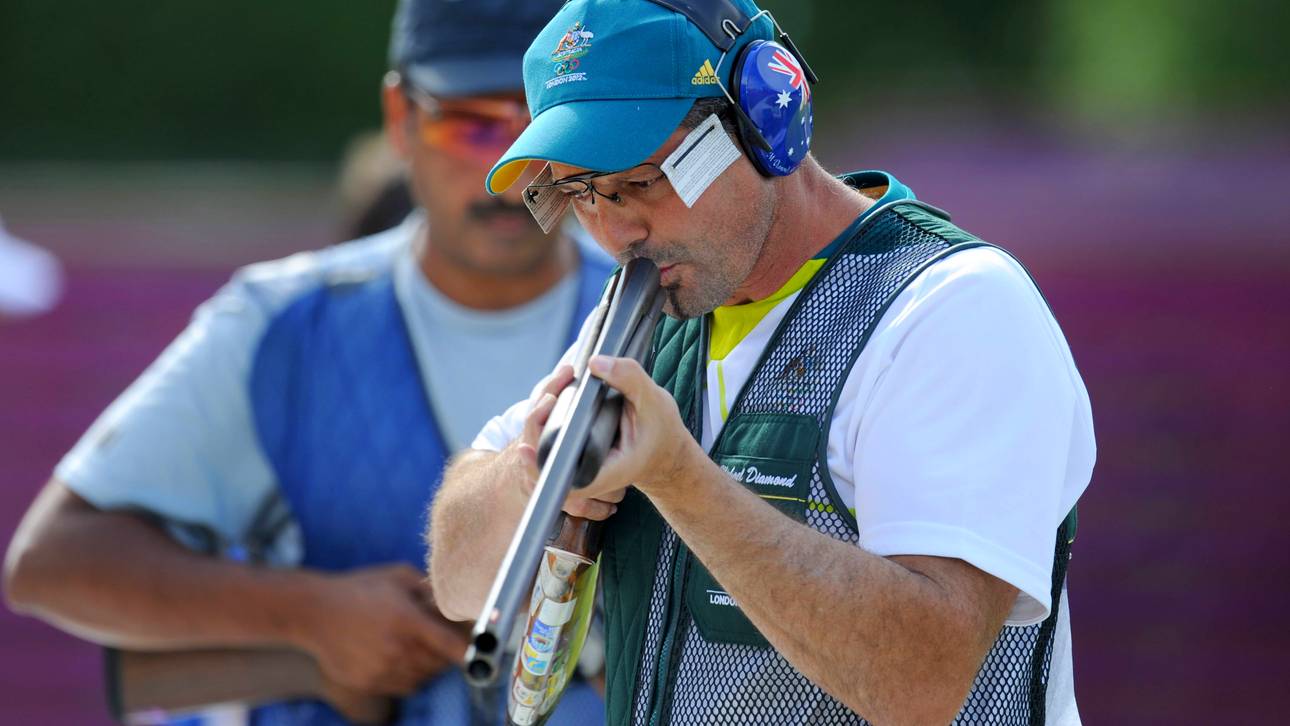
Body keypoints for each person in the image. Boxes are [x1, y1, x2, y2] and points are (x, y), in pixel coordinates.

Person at [427, 0, 1095, 724]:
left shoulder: (951, 309)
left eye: (639, 181)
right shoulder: (646, 312)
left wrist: (678, 480)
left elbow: (921, 682)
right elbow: (459, 580)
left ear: (763, 117)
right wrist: (537, 469)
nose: (615, 231)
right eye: (580, 193)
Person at [2, 0, 609, 724]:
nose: (509, 171)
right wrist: (313, 618)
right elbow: (53, 564)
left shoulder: (666, 317)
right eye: (470, 122)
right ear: (399, 116)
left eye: (542, 124)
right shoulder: (278, 325)